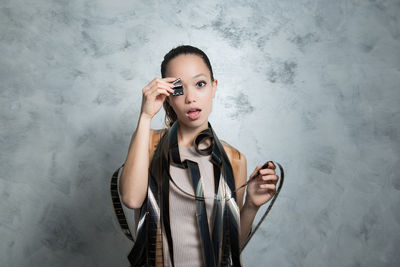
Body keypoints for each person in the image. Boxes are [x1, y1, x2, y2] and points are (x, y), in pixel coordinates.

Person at [118, 45, 279, 267]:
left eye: (200, 84)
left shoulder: (233, 159)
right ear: (168, 96)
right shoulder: (149, 142)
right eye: (179, 89)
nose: (191, 98)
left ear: (214, 87)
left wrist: (251, 204)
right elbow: (131, 199)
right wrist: (145, 116)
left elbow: (230, 246)